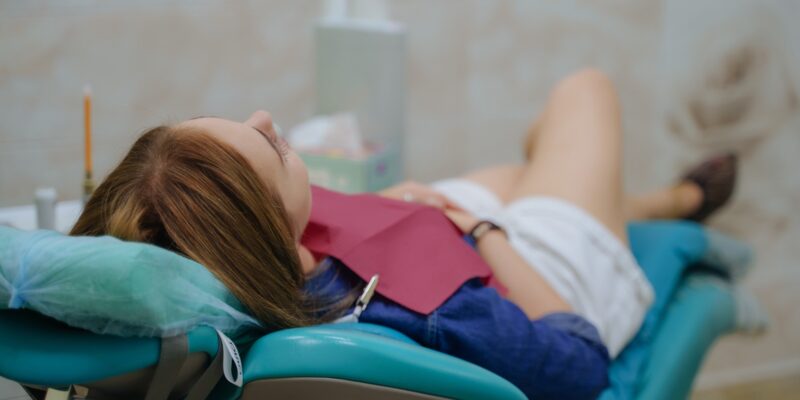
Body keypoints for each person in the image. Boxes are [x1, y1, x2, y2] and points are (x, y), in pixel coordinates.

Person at [69, 68, 736, 399]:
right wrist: (483, 229)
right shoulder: (437, 311)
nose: (268, 115)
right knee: (585, 92)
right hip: (541, 273)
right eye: (271, 147)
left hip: (438, 225)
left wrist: (391, 213)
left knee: (525, 167)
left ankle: (649, 201)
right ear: (267, 229)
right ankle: (676, 203)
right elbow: (580, 364)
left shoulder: (252, 261)